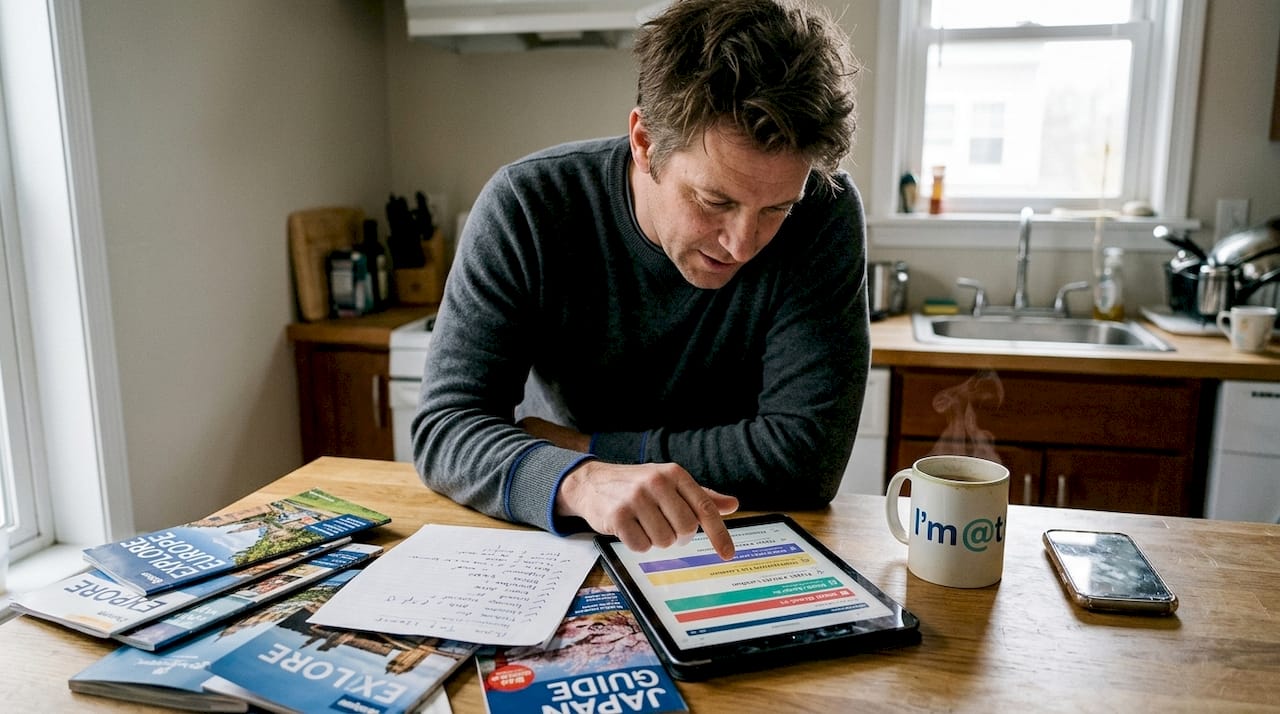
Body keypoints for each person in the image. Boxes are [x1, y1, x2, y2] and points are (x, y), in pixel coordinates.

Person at [412, 0, 867, 561]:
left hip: (745, 540)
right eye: (714, 200)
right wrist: (581, 479)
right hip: (564, 531)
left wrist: (589, 448)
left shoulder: (826, 210)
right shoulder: (527, 206)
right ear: (645, 143)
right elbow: (447, 428)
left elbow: (806, 458)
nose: (743, 244)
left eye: (777, 209)